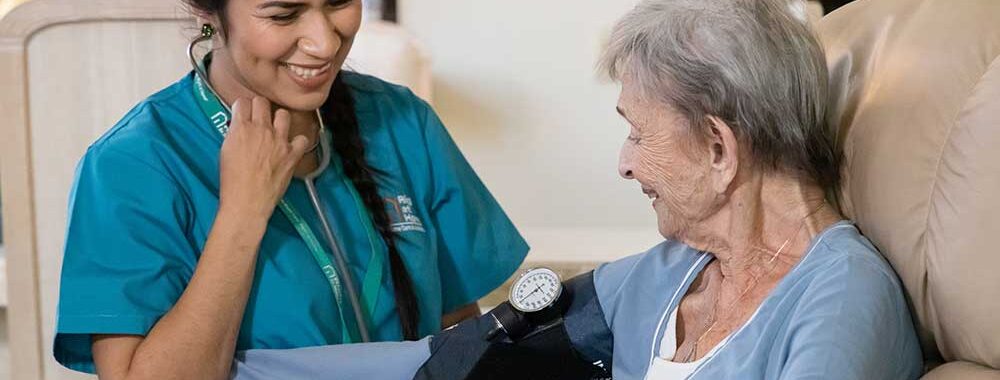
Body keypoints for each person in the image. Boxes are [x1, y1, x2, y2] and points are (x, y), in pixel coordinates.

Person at [224, 0, 925, 379]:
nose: (625, 165)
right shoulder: (667, 277)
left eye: (638, 133)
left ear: (720, 148)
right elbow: (444, 361)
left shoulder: (841, 301)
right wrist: (237, 372)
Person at [52, 0, 528, 378]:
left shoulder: (403, 122)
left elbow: (462, 338)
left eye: (339, 2)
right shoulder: (131, 166)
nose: (324, 43)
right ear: (209, 13)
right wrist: (242, 213)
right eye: (283, 13)